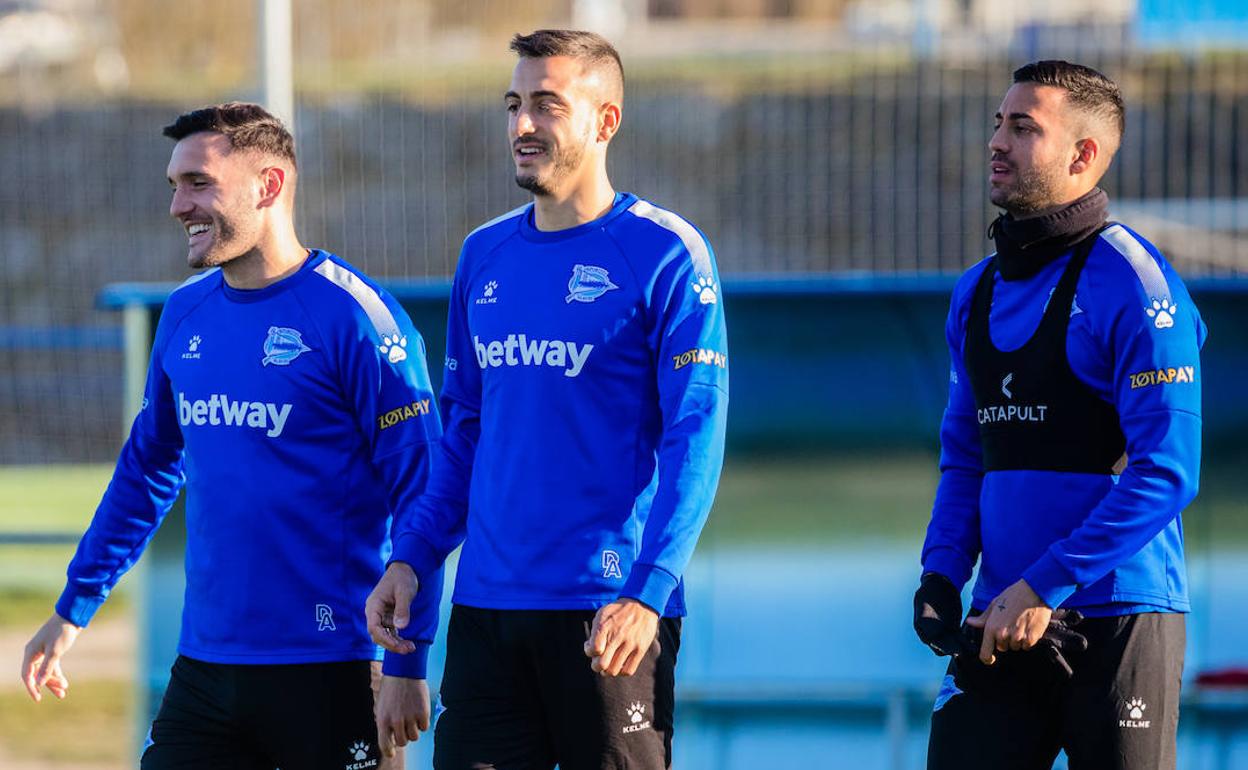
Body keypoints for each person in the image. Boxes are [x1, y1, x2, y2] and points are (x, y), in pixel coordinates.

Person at [19, 102, 445, 769]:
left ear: (268, 186)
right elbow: (148, 471)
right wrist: (75, 607)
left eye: (198, 183)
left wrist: (408, 661)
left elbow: (425, 493)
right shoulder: (185, 316)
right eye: (173, 186)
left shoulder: (357, 320)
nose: (177, 206)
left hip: (331, 668)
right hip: (206, 670)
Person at [365, 29, 728, 770]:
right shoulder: (484, 254)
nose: (522, 125)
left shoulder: (666, 254)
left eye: (546, 105)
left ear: (605, 121)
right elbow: (462, 437)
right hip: (487, 616)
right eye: (513, 104)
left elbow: (696, 433)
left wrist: (648, 592)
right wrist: (411, 558)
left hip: (609, 615)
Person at [913, 61, 1205, 769]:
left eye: (1023, 128)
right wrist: (943, 572)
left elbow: (1167, 471)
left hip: (1117, 619)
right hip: (999, 620)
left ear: (1084, 156)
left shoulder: (1135, 283)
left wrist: (1045, 583)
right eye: (996, 124)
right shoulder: (974, 292)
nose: (998, 142)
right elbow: (966, 457)